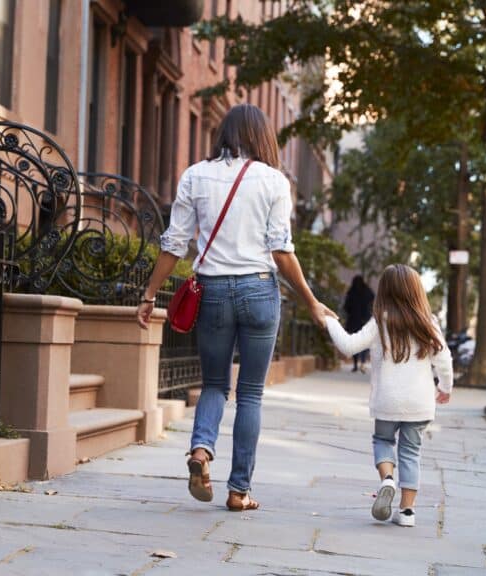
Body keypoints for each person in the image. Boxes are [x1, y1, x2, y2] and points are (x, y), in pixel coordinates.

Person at [136, 103, 335, 512]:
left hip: (212, 291)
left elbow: (175, 241)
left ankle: (200, 451)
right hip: (260, 291)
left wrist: (149, 294)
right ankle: (239, 490)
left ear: (223, 134)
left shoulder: (195, 175)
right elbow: (281, 251)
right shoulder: (275, 181)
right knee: (250, 395)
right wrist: (312, 302)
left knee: (214, 384)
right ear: (263, 136)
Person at [324, 264, 453, 527]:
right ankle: (407, 512)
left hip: (387, 400)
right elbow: (444, 359)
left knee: (383, 440)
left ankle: (387, 480)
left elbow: (348, 346)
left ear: (384, 292)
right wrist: (445, 387)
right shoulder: (429, 323)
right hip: (419, 403)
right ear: (417, 292)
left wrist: (329, 320)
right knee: (411, 451)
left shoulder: (379, 322)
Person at [343, 275, 375, 372]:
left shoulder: (351, 292)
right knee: (366, 342)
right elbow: (373, 299)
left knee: (355, 342)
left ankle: (355, 364)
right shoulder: (368, 292)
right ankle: (363, 362)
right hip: (365, 320)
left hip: (353, 321)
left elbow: (346, 307)